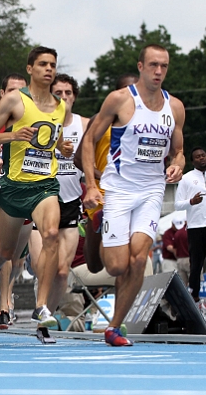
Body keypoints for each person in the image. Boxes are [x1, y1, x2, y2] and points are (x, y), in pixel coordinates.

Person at [82, 44, 185, 346]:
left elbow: (178, 152)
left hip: (152, 191)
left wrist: (177, 166)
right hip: (118, 189)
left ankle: (115, 327)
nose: (158, 72)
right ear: (140, 66)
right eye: (153, 65)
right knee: (116, 266)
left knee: (139, 260)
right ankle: (98, 227)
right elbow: (90, 140)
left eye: (164, 66)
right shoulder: (121, 100)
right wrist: (90, 184)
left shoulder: (174, 107)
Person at [0, 46, 73, 343]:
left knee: (51, 235)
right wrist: (12, 135)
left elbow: (48, 138)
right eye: (43, 64)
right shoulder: (15, 100)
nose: (49, 69)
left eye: (53, 65)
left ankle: (41, 306)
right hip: (14, 186)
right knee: (6, 253)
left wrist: (61, 148)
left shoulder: (60, 106)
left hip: (45, 184)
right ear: (30, 68)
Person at [28, 74, 89, 317]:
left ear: (74, 97)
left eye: (68, 93)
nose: (64, 97)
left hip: (71, 203)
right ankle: (40, 304)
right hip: (42, 199)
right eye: (59, 93)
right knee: (40, 267)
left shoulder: (84, 125)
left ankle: (45, 317)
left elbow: (92, 158)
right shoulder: (40, 122)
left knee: (63, 271)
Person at [74, 73, 139, 274]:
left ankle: (130, 303)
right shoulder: (101, 119)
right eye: (127, 92)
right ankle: (95, 223)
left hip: (131, 195)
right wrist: (101, 175)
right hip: (102, 193)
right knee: (94, 265)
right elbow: (78, 158)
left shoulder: (146, 123)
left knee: (130, 259)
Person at [0, 73, 29, 330]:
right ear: (2, 95)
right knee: (4, 242)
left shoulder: (35, 121)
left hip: (28, 189)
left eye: (22, 92)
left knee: (14, 256)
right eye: (12, 91)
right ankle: (3, 306)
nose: (17, 96)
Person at [175, 147, 206, 305]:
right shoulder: (186, 179)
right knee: (196, 263)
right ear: (192, 161)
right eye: (197, 157)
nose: (201, 158)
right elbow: (177, 204)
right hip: (195, 226)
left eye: (203, 155)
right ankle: (195, 294)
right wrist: (191, 202)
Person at [173, 220, 190, 285]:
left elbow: (174, 248)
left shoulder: (177, 233)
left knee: (183, 283)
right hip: (190, 258)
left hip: (180, 259)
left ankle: (184, 295)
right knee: (195, 281)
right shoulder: (191, 231)